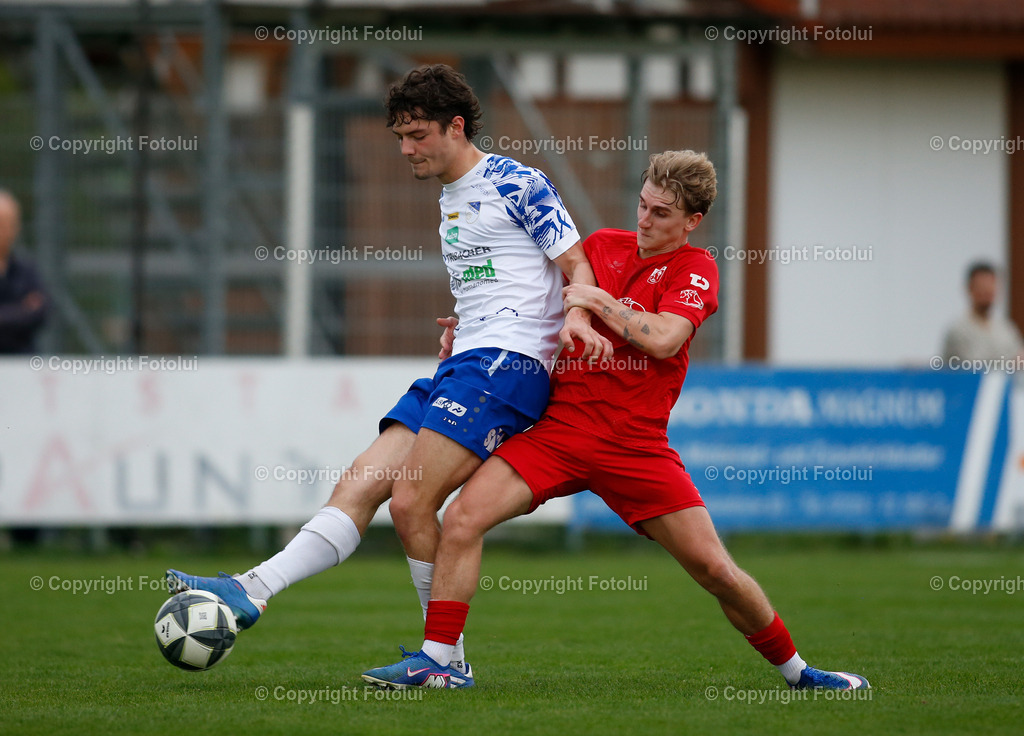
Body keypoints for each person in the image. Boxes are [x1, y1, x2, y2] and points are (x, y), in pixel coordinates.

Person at [166, 64, 611, 686]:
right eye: (400, 136)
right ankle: (250, 589)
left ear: (456, 128)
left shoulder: (516, 181)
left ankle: (443, 661)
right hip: (465, 362)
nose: (406, 149)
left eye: (417, 135)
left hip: (507, 367)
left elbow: (577, 262)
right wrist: (462, 319)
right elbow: (500, 277)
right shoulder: (449, 198)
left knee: (410, 501)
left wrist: (579, 319)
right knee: (362, 482)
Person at [363, 150, 870, 692]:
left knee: (716, 571)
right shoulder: (601, 246)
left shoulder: (695, 269)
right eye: (643, 205)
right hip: (559, 433)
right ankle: (442, 660)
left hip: (635, 446)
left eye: (661, 214)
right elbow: (529, 291)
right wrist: (467, 327)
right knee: (463, 517)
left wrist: (599, 303)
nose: (644, 221)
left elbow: (666, 337)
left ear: (692, 222)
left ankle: (800, 674)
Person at [942, 261, 1023, 366]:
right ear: (970, 288)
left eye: (991, 286)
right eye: (982, 286)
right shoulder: (958, 331)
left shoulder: (1006, 329)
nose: (987, 291)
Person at [0, 190, 49, 354]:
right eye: (1, 224)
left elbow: (40, 314)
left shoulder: (26, 270)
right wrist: (20, 310)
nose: (5, 231)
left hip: (22, 364)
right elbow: (27, 314)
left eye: (10, 224)